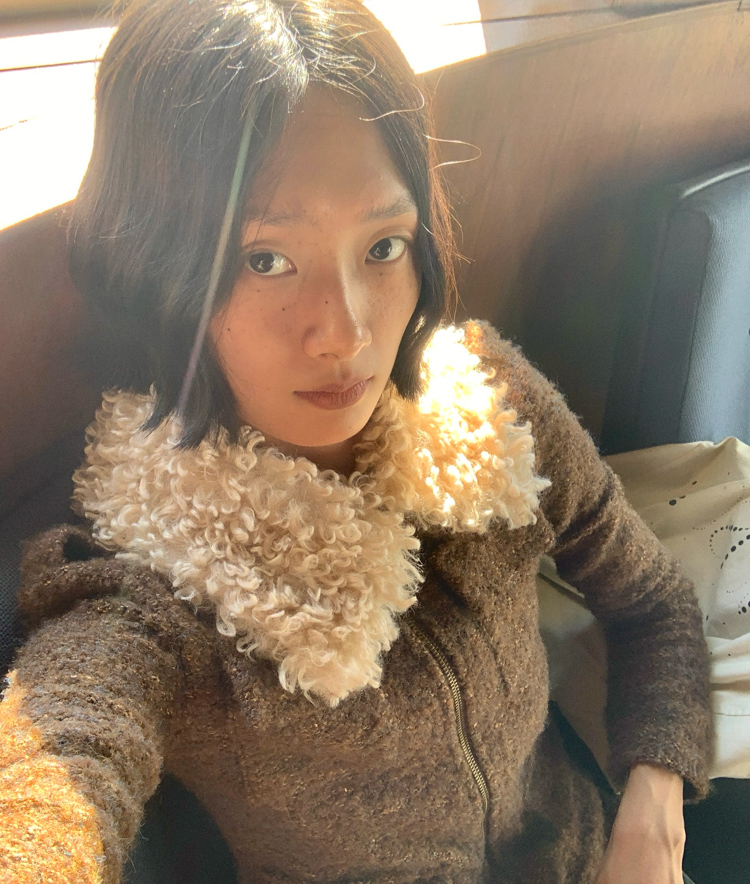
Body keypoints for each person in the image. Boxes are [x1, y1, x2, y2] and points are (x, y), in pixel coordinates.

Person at [0, 1, 712, 882]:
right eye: (264, 259)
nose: (345, 333)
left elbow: (654, 602)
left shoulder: (493, 410)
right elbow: (62, 764)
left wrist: (653, 812)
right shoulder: (150, 575)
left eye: (383, 245)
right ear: (158, 269)